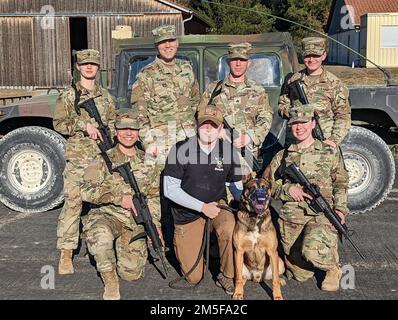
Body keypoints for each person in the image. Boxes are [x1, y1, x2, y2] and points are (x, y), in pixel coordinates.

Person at [264, 104, 349, 291]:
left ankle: (332, 268)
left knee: (312, 252)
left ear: (313, 124)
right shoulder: (282, 156)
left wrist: (340, 209)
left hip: (321, 215)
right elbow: (267, 186)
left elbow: (341, 183)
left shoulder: (329, 152)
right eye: (295, 123)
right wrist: (287, 189)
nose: (299, 127)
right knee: (299, 275)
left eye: (304, 122)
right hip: (292, 218)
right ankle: (314, 252)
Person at [80, 108, 162, 300]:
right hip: (107, 215)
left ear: (138, 132)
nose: (128, 133)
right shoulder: (102, 158)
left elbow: (154, 197)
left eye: (132, 129)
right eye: (123, 129)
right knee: (100, 238)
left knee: (131, 273)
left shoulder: (148, 161)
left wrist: (154, 225)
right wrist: (117, 197)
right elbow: (84, 190)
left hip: (134, 221)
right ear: (116, 131)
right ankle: (110, 280)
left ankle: (117, 250)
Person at [163, 105, 243, 295]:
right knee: (193, 277)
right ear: (196, 125)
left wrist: (249, 202)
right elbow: (170, 189)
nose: (208, 129)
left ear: (221, 128)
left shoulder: (230, 151)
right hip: (187, 214)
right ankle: (204, 249)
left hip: (217, 206)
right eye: (204, 124)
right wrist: (201, 207)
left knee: (229, 226)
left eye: (213, 125)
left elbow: (236, 185)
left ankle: (226, 273)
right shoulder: (180, 149)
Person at [53, 49, 116, 275]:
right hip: (79, 160)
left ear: (98, 68)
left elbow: (112, 125)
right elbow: (59, 123)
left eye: (93, 64)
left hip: (101, 160)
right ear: (78, 67)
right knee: (73, 203)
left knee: (104, 203)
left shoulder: (106, 97)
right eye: (85, 64)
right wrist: (83, 125)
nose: (89, 67)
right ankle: (66, 253)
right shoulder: (69, 95)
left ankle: (101, 247)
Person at [198, 42, 273, 171]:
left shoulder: (257, 91)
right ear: (228, 62)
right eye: (234, 60)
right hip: (218, 150)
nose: (238, 64)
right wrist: (215, 131)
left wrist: (250, 137)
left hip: (245, 153)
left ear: (248, 63)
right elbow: (200, 116)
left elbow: (266, 118)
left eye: (242, 60)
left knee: (244, 189)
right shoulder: (214, 89)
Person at [131, 24, 200, 160]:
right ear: (156, 46)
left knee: (191, 180)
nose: (167, 45)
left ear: (177, 42)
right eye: (162, 42)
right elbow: (139, 114)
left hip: (190, 137)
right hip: (162, 142)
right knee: (162, 180)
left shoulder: (186, 69)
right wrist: (148, 143)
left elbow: (195, 101)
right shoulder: (146, 75)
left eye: (171, 41)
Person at [278, 37, 351, 148]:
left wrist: (334, 140)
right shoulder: (293, 80)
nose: (311, 60)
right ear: (302, 56)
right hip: (296, 142)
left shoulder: (335, 84)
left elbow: (343, 116)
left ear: (324, 56)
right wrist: (297, 112)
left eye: (316, 55)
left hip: (323, 142)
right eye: (307, 56)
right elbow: (282, 107)